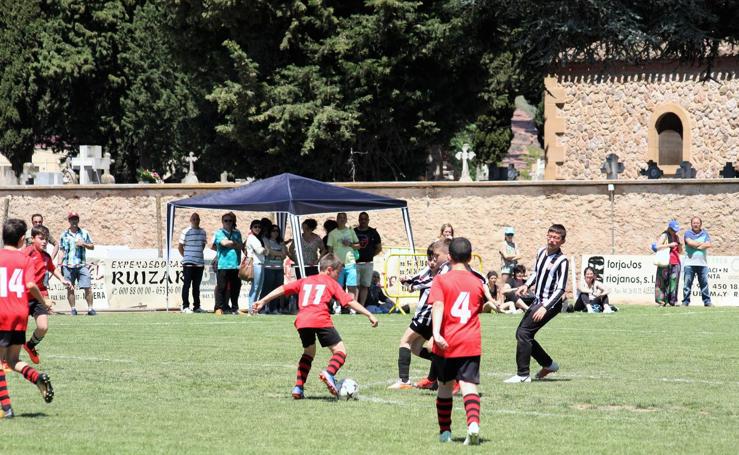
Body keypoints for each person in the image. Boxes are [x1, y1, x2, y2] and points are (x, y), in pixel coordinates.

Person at [249, 253, 378, 399]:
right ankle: (329, 373)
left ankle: (298, 388)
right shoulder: (331, 283)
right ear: (329, 270)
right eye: (338, 272)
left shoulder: (305, 281)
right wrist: (369, 314)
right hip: (320, 319)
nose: (338, 276)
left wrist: (263, 301)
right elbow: (348, 301)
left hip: (302, 321)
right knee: (340, 351)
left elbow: (283, 289)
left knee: (309, 352)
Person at [430, 237, 492, 445]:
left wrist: (436, 333)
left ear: (449, 257)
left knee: (445, 386)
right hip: (470, 341)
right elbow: (480, 306)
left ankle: (445, 432)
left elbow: (437, 305)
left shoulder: (441, 280)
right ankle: (473, 423)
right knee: (468, 385)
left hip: (447, 341)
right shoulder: (478, 282)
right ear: (470, 257)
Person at [0, 218, 54, 418]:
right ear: (23, 239)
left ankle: (6, 409)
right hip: (19, 314)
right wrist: (45, 302)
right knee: (12, 360)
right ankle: (37, 377)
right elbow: (31, 285)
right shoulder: (25, 260)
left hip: (1, 312)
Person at [504, 224, 569, 383]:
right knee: (524, 334)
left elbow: (560, 289)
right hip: (538, 300)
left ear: (562, 241)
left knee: (523, 333)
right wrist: (526, 285)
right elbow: (536, 274)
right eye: (550, 236)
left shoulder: (562, 261)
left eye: (556, 238)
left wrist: (545, 308)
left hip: (550, 305)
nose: (552, 240)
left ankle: (523, 375)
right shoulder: (541, 251)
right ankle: (549, 365)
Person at [389, 240, 449, 390]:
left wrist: (413, 285)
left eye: (435, 257)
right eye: (430, 258)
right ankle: (441, 373)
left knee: (405, 341)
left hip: (428, 314)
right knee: (417, 348)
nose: (432, 261)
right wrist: (408, 280)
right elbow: (420, 276)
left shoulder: (446, 269)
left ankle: (404, 381)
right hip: (428, 315)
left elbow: (433, 283)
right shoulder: (432, 269)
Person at [22, 225, 72, 364]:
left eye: (46, 239)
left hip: (39, 296)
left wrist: (63, 280)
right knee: (17, 329)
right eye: (40, 238)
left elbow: (52, 269)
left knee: (43, 327)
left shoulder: (46, 256)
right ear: (32, 239)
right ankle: (6, 358)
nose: (44, 242)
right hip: (24, 296)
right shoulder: (26, 253)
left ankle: (30, 346)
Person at [59, 212, 95, 316]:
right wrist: (59, 264)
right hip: (68, 265)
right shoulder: (64, 234)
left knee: (87, 287)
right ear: (69, 220)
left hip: (81, 265)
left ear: (78, 220)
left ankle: (90, 309)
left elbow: (92, 246)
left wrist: (84, 244)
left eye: (75, 219)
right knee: (70, 288)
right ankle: (73, 309)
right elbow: (61, 250)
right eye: (72, 219)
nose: (74, 221)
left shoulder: (84, 233)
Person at [211, 212, 244, 315]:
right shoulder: (219, 233)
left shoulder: (237, 233)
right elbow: (224, 243)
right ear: (222, 222)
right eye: (226, 220)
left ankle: (235, 308)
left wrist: (232, 244)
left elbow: (241, 246)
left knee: (236, 287)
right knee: (222, 287)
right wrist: (234, 244)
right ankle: (219, 308)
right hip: (223, 264)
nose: (228, 222)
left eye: (230, 220)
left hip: (235, 264)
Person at [178, 212, 207, 313]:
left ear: (199, 220)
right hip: (188, 263)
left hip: (199, 263)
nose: (196, 221)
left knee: (196, 286)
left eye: (197, 219)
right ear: (190, 220)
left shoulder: (203, 232)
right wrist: (186, 256)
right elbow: (180, 246)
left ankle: (197, 306)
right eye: (193, 219)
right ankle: (185, 306)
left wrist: (196, 254)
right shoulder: (185, 231)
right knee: (187, 285)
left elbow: (202, 245)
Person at [326, 212, 360, 298]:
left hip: (350, 263)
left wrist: (350, 244)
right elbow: (330, 251)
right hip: (338, 265)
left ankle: (352, 309)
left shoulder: (351, 231)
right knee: (338, 287)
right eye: (340, 217)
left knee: (351, 287)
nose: (342, 219)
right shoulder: (332, 234)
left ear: (346, 220)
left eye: (344, 217)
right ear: (337, 220)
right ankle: (338, 308)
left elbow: (358, 246)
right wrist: (331, 263)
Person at [682, 217, 712, 307]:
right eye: (694, 223)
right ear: (691, 224)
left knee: (704, 284)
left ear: (700, 224)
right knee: (687, 284)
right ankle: (685, 302)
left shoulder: (705, 233)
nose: (696, 224)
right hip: (689, 263)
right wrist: (701, 244)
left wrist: (696, 244)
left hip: (702, 264)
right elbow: (690, 243)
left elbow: (709, 244)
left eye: (697, 223)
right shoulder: (687, 233)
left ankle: (707, 302)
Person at [354, 212, 382, 306]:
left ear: (368, 220)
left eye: (365, 219)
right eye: (361, 219)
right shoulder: (353, 232)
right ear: (358, 220)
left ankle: (361, 306)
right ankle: (355, 307)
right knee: (355, 285)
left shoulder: (373, 232)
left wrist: (371, 255)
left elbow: (379, 248)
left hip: (368, 263)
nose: (363, 221)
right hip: (355, 263)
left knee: (365, 285)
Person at [655, 220, 682, 307]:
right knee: (662, 282)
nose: (675, 232)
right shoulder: (664, 235)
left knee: (674, 283)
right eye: (673, 230)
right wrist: (669, 245)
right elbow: (657, 246)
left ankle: (672, 301)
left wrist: (680, 246)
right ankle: (661, 301)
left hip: (676, 262)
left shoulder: (676, 237)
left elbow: (680, 251)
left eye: (676, 230)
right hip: (665, 261)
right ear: (669, 228)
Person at [261, 225, 287, 314]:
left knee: (277, 289)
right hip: (268, 268)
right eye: (273, 231)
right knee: (266, 288)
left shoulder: (280, 241)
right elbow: (269, 251)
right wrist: (279, 253)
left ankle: (274, 308)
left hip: (279, 268)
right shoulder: (265, 239)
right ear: (269, 231)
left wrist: (275, 254)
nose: (275, 233)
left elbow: (284, 254)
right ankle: (262, 308)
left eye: (277, 231)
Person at [246, 219, 267, 312]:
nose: (257, 228)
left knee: (259, 287)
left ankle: (254, 309)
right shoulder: (251, 238)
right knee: (255, 287)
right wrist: (267, 250)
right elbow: (260, 250)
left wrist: (266, 250)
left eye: (259, 227)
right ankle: (251, 309)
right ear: (251, 228)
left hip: (261, 264)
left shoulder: (259, 238)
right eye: (255, 227)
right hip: (255, 264)